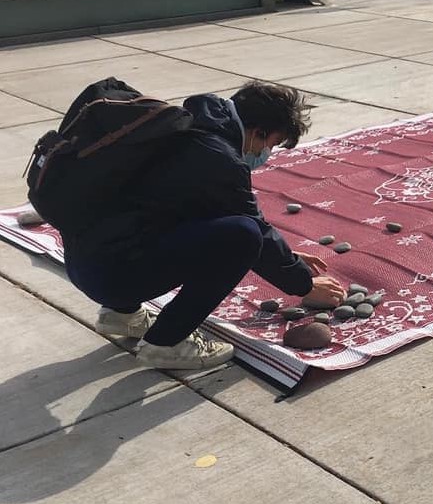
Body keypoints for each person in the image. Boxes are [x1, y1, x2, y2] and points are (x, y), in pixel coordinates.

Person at [64, 82, 347, 369]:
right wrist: (304, 285)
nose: (265, 153)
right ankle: (167, 343)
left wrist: (291, 260)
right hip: (112, 274)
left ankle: (122, 315)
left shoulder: (185, 126)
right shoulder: (217, 157)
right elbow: (253, 228)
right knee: (244, 237)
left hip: (85, 262)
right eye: (269, 144)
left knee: (195, 224)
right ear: (258, 131)